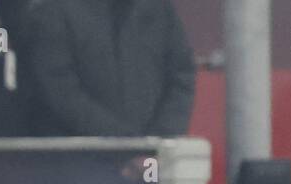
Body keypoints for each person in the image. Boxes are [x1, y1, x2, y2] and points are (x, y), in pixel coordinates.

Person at [19, 0, 195, 137]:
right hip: (77, 164)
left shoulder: (159, 9)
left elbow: (181, 77)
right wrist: (125, 146)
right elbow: (59, 91)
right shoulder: (52, 10)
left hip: (149, 163)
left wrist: (160, 141)